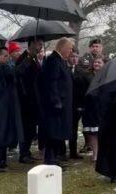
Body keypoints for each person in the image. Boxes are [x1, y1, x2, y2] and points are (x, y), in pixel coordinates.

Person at [41, 37, 74, 165]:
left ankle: (55, 157)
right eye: (70, 49)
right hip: (56, 105)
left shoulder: (60, 60)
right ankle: (50, 159)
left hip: (63, 103)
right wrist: (56, 101)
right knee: (53, 133)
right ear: (63, 48)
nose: (71, 52)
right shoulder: (53, 60)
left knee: (58, 133)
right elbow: (51, 82)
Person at [15, 38, 44, 164]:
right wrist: (29, 58)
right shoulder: (24, 58)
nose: (41, 47)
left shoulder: (34, 58)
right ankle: (23, 153)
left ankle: (27, 151)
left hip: (34, 99)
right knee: (26, 128)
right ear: (31, 45)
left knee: (32, 128)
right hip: (25, 100)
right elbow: (18, 71)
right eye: (39, 44)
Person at [82, 55, 105, 161]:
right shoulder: (87, 75)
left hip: (102, 107)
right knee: (91, 132)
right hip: (89, 107)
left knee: (100, 132)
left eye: (99, 62)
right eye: (95, 62)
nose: (96, 64)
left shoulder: (106, 76)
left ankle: (101, 152)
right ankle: (95, 153)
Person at [68, 49, 89, 159]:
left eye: (76, 56)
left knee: (74, 129)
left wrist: (82, 105)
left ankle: (72, 151)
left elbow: (84, 90)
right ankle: (61, 151)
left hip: (77, 105)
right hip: (66, 105)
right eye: (72, 56)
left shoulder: (82, 72)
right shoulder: (65, 69)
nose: (74, 58)